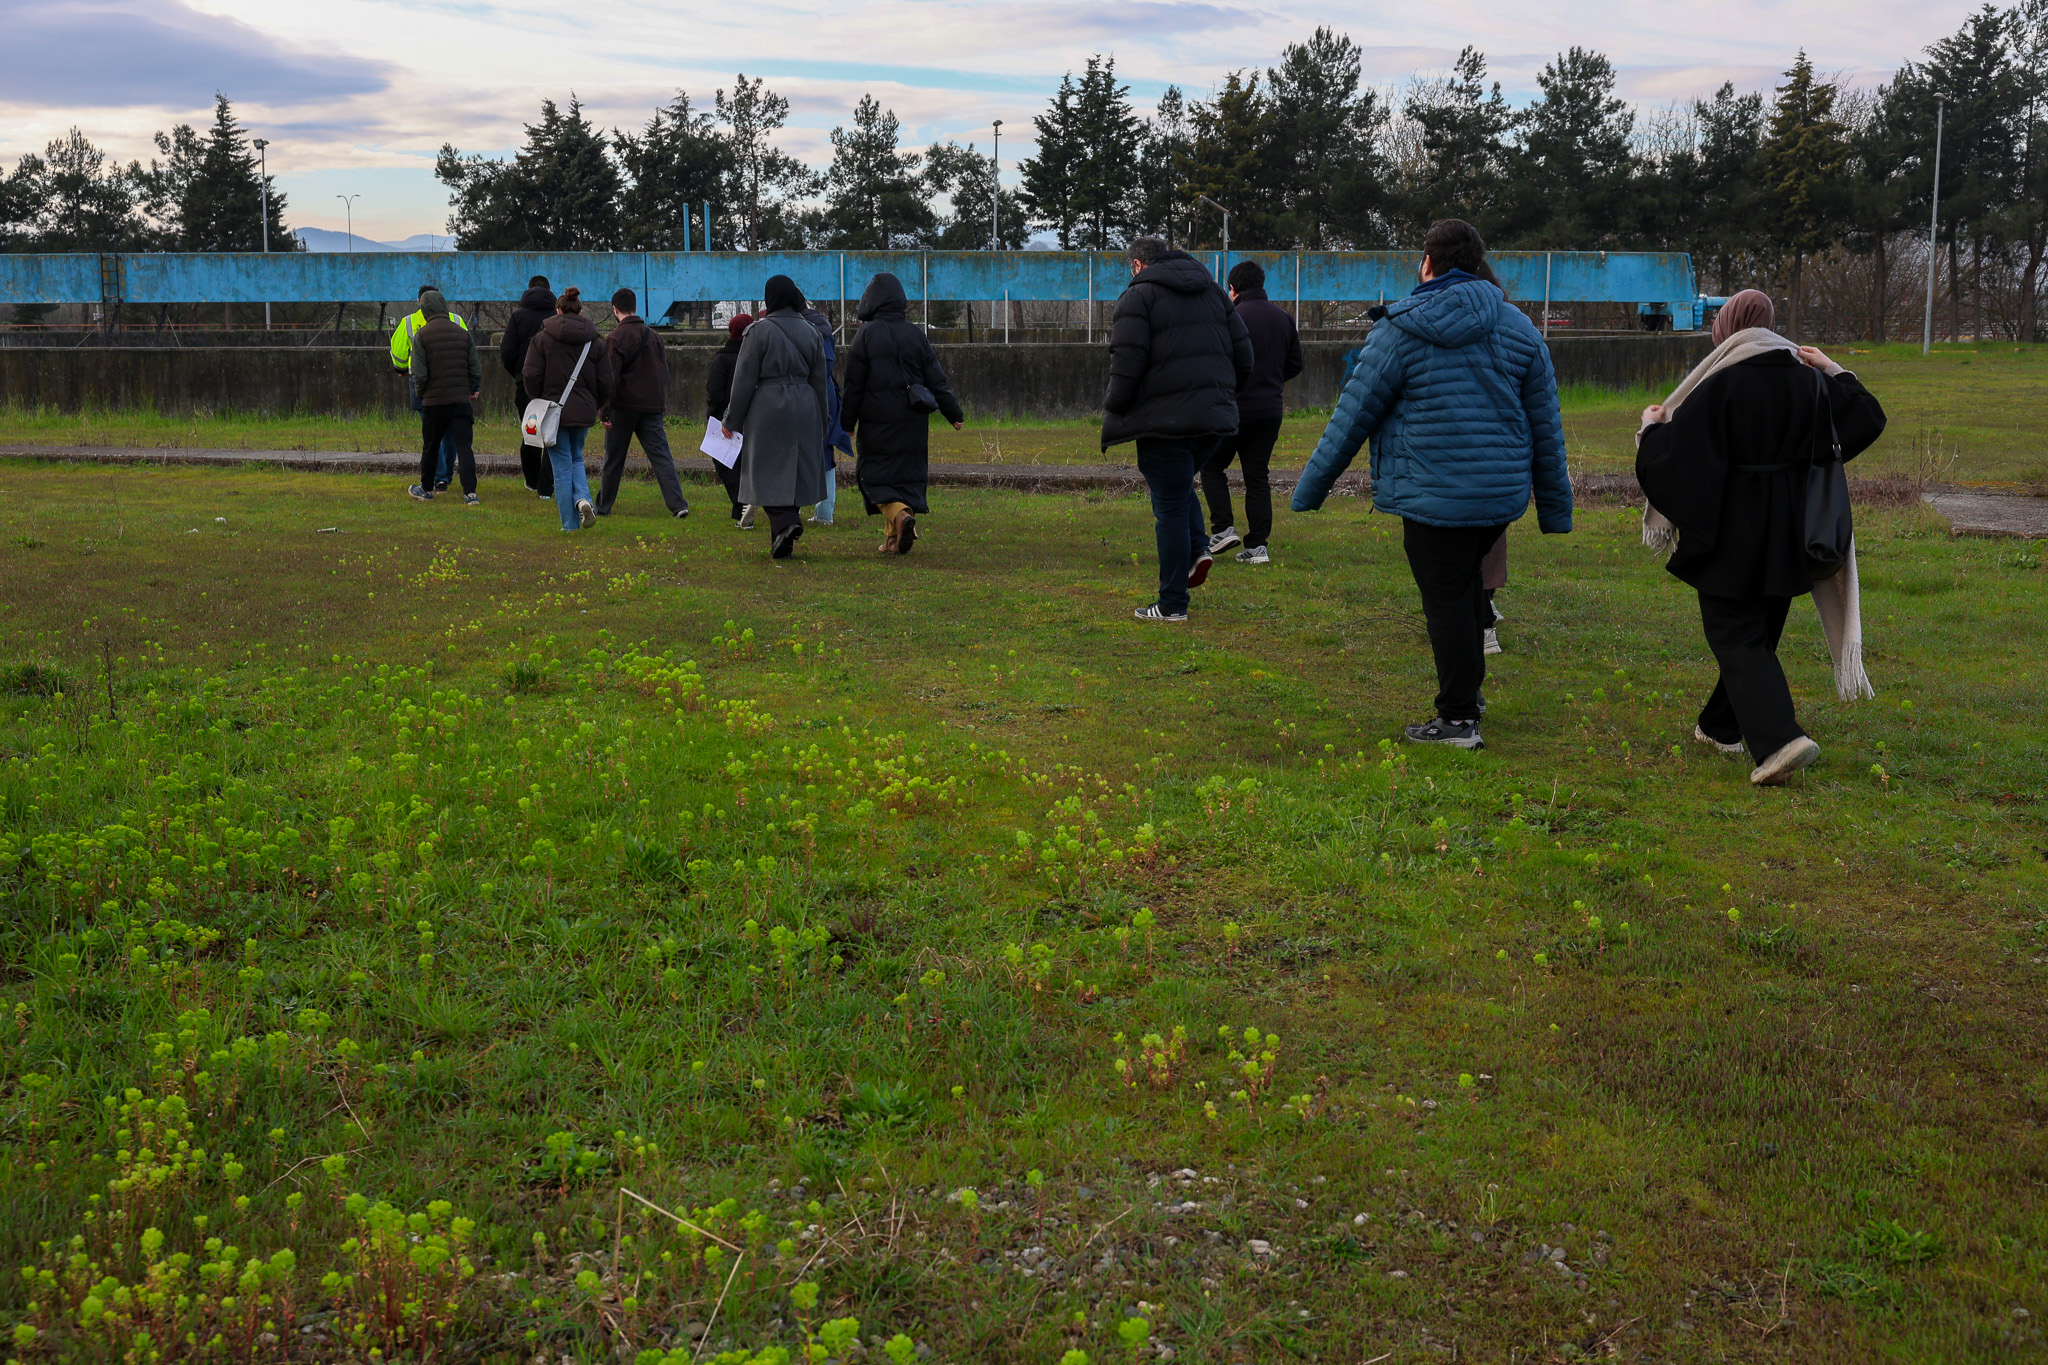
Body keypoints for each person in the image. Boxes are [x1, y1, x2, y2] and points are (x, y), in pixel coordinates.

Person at [1292, 219, 1572, 749]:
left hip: (1433, 494)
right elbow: (1546, 427)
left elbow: (1353, 414)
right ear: (1478, 264)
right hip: (1497, 498)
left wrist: (1310, 489)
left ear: (1428, 264)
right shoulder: (1520, 330)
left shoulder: (1400, 326)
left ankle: (1459, 719)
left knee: (1446, 600)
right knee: (1467, 590)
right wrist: (1555, 509)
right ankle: (1468, 695)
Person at [1636, 288, 1886, 785]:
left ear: (1725, 328)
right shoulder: (1808, 379)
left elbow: (1682, 461)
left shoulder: (1719, 382)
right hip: (1792, 530)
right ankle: (1719, 726)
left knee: (1734, 634)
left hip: (1734, 529)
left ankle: (1778, 741)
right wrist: (1832, 367)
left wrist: (1651, 431)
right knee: (1759, 630)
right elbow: (1866, 418)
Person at [1101, 236, 1252, 622]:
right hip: (1214, 420)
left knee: (1168, 508)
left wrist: (1115, 406)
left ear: (1137, 265)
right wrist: (1223, 395)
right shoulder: (1215, 292)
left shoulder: (1137, 298)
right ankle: (1199, 548)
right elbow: (1244, 354)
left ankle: (1172, 604)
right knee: (1181, 486)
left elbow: (1126, 362)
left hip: (1163, 422)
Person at [841, 272, 964, 555]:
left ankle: (901, 517)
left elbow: (854, 384)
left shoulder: (866, 335)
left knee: (874, 475)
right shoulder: (915, 333)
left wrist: (847, 422)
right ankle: (894, 540)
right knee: (903, 476)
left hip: (877, 420)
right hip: (913, 420)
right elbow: (936, 379)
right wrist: (952, 412)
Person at [721, 275, 832, 559]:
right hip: (805, 403)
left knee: (764, 471)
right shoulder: (812, 332)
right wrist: (823, 418)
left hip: (768, 406)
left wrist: (731, 420)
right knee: (794, 471)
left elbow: (743, 380)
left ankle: (786, 524)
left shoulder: (758, 332)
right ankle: (783, 539)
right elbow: (820, 380)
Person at [1201, 259, 1303, 566]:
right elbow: (1295, 364)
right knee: (1257, 475)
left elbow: (1216, 361)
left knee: (1212, 465)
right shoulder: (1283, 318)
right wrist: (1270, 381)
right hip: (1270, 410)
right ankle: (1257, 545)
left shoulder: (1231, 317)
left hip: (1235, 408)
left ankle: (1223, 528)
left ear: (1233, 289)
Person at [522, 286, 615, 532]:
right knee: (576, 458)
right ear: (581, 311)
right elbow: (606, 380)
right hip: (583, 410)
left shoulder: (542, 339)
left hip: (553, 411)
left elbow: (530, 374)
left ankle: (570, 525)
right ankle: (583, 499)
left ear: (558, 310)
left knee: (561, 467)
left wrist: (538, 400)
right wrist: (597, 404)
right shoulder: (594, 342)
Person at [595, 287, 690, 521]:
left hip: (623, 408)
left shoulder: (615, 338)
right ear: (636, 307)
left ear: (615, 310)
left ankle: (603, 507)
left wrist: (604, 412)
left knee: (614, 460)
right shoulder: (654, 336)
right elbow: (663, 373)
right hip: (651, 407)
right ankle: (678, 504)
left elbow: (610, 378)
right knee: (661, 457)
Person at [404, 289, 482, 505]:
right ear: (444, 307)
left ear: (425, 309)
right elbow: (474, 367)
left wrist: (422, 394)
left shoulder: (422, 335)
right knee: (464, 446)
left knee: (431, 445)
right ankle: (470, 493)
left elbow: (418, 372)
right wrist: (473, 388)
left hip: (433, 401)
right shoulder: (462, 333)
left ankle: (426, 489)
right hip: (460, 400)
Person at [390, 283, 467, 490]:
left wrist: (401, 369)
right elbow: (468, 349)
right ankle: (447, 474)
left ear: (418, 302)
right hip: (453, 382)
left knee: (432, 434)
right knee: (450, 433)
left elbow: (398, 354)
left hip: (422, 384)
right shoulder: (457, 320)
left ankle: (439, 477)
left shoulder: (409, 322)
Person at [502, 274, 557, 499]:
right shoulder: (556, 315)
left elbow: (507, 351)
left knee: (530, 431)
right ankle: (547, 485)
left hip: (525, 384)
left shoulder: (518, 317)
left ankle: (532, 481)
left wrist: (517, 373)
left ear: (529, 289)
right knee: (553, 434)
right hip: (554, 384)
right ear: (549, 290)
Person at [801, 303, 854, 526]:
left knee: (797, 450)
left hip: (806, 391)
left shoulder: (799, 327)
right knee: (825, 454)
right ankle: (825, 512)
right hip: (828, 393)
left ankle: (792, 509)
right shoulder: (823, 326)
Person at [705, 313, 752, 523]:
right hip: (752, 417)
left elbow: (715, 391)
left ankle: (741, 503)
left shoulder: (722, 358)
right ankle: (741, 508)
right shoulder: (754, 356)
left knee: (725, 464)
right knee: (746, 462)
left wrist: (715, 415)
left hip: (725, 419)